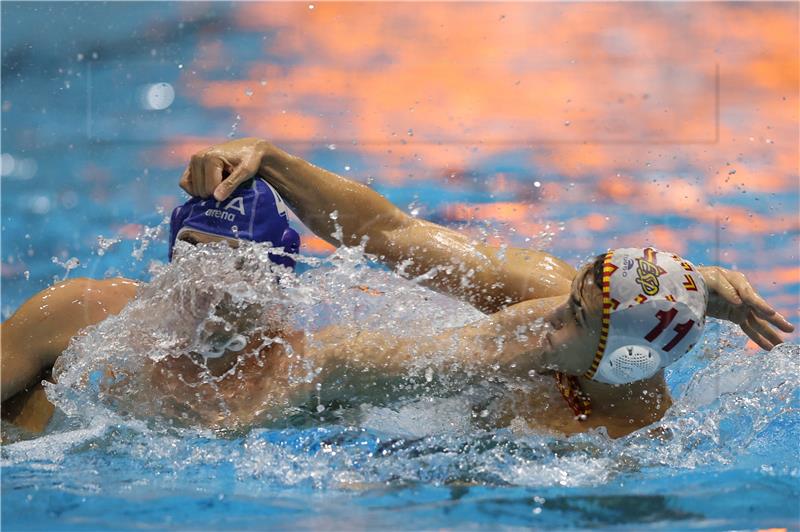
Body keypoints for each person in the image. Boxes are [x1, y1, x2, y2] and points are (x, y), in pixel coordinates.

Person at [1, 138, 792, 438]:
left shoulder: (631, 429)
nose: (555, 311)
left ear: (614, 359)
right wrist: (270, 158)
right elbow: (389, 235)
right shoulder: (540, 295)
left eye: (577, 315)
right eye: (579, 285)